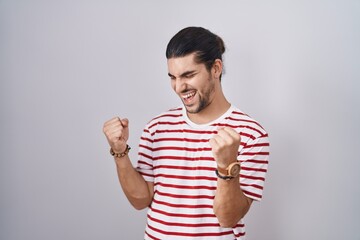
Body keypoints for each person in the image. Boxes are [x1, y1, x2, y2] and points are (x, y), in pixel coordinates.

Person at [103, 26, 269, 240]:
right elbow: (140, 200)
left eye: (188, 75)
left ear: (216, 68)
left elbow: (229, 218)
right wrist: (120, 152)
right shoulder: (156, 127)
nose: (179, 87)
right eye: (173, 77)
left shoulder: (251, 134)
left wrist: (227, 166)